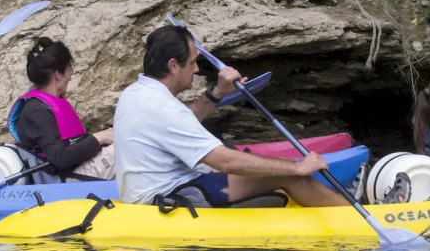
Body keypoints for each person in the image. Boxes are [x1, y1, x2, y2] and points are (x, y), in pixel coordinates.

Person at [113, 24, 344, 208]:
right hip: (168, 195)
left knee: (265, 173)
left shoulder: (136, 93)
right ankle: (352, 219)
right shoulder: (162, 106)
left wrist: (217, 94)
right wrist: (296, 167)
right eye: (193, 62)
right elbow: (224, 161)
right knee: (286, 174)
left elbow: (181, 123)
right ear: (173, 65)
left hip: (152, 190)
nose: (196, 69)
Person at [7, 37, 115, 180]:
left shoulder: (49, 104)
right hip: (66, 179)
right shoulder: (37, 111)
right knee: (128, 147)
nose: (70, 77)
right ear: (58, 74)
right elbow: (60, 158)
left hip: (78, 168)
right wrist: (100, 138)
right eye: (69, 71)